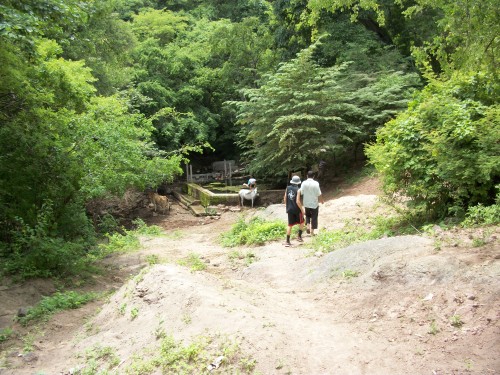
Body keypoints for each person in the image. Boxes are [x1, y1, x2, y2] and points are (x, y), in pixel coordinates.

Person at [299, 170, 325, 236]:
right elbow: (319, 193)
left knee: (307, 215)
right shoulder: (316, 183)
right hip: (314, 203)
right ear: (313, 176)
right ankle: (312, 232)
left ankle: (308, 225)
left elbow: (301, 192)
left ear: (307, 176)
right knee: (314, 216)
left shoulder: (304, 183)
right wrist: (321, 200)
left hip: (306, 203)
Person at [283, 175, 305, 247]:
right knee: (302, 222)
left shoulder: (287, 188)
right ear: (298, 182)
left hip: (289, 209)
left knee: (290, 225)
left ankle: (287, 241)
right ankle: (299, 236)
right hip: (297, 210)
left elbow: (285, 198)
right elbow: (298, 201)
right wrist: (302, 210)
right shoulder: (298, 190)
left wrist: (286, 205)